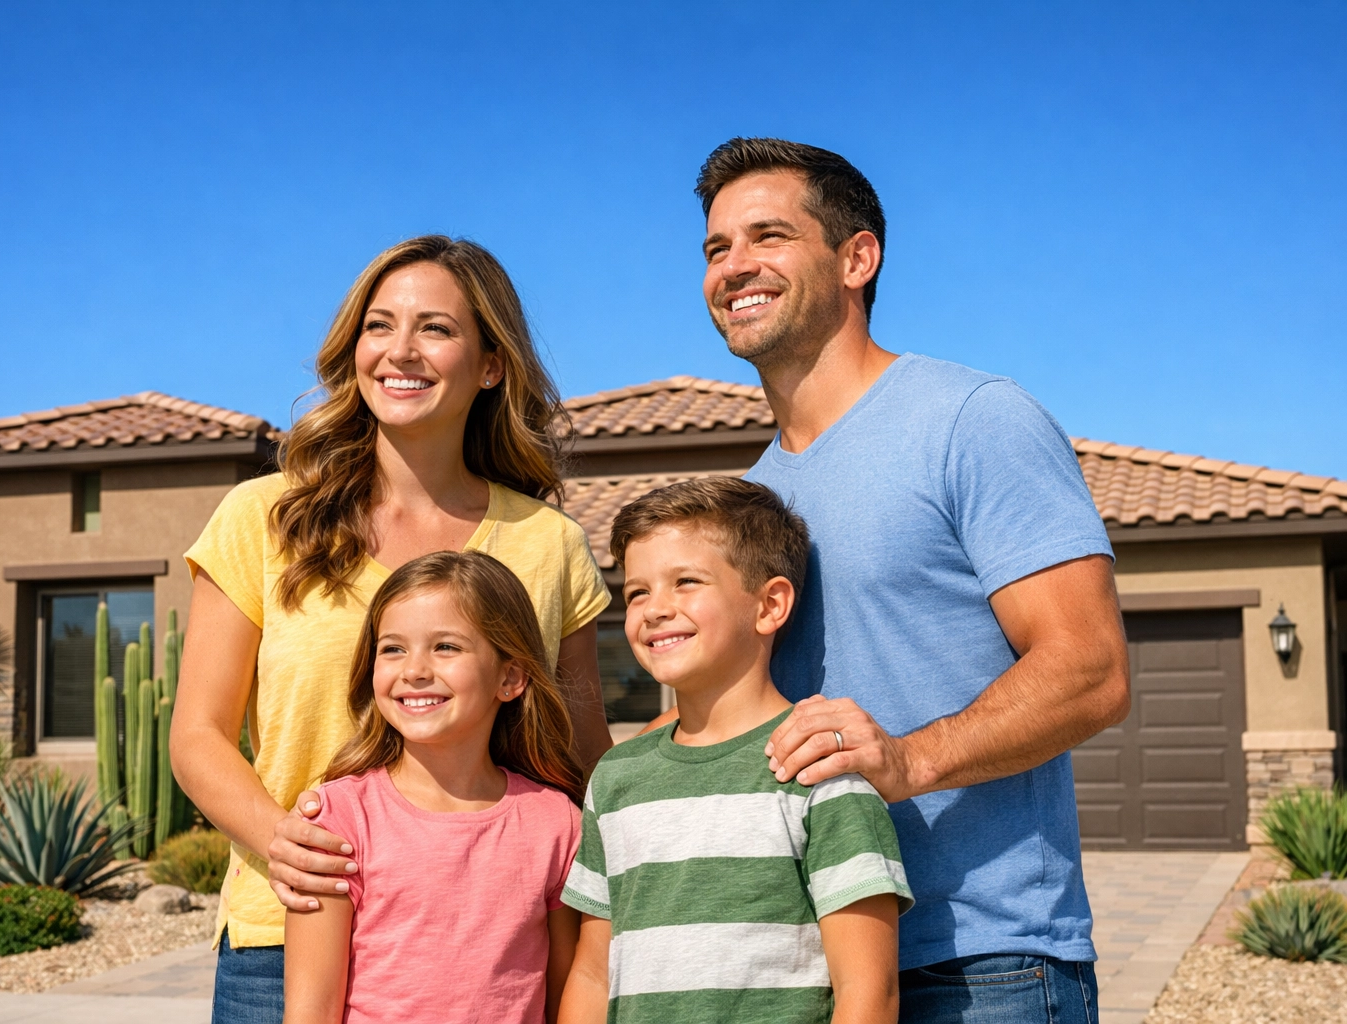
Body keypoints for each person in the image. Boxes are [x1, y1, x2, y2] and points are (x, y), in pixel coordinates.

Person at [681, 137, 1130, 1023]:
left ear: (857, 257)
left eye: (767, 236)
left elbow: (1091, 670)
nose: (734, 267)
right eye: (715, 248)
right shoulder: (753, 497)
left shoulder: (971, 421)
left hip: (982, 963)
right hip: (813, 959)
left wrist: (907, 760)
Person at [169, 236, 614, 1024]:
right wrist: (285, 844)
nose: (400, 351)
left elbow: (580, 757)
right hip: (288, 932)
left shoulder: (550, 546)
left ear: (491, 364)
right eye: (380, 326)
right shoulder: (261, 518)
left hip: (486, 950)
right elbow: (198, 735)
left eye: (435, 329)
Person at [558, 478, 911, 1024]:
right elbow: (591, 972)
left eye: (686, 582)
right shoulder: (616, 777)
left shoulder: (818, 769)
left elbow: (869, 994)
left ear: (770, 605)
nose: (654, 610)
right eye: (637, 592)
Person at [283, 551, 584, 1024]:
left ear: (510, 677)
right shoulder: (339, 820)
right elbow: (309, 1013)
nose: (415, 669)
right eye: (393, 648)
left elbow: (568, 998)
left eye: (446, 647)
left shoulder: (557, 822)